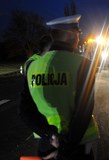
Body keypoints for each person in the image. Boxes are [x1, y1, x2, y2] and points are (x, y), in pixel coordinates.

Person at [19, 14, 99, 160]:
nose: (79, 38)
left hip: (47, 146)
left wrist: (50, 135)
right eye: (78, 34)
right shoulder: (83, 64)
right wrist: (66, 150)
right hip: (77, 148)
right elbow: (84, 112)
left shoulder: (32, 66)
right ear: (70, 35)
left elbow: (25, 111)